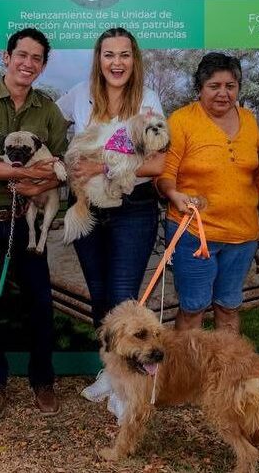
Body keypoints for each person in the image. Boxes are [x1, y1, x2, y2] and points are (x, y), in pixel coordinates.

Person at [0, 28, 68, 419]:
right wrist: (38, 175)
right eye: (22, 55)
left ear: (42, 65)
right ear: (7, 57)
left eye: (36, 58)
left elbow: (63, 166)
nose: (28, 63)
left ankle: (43, 380)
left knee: (40, 303)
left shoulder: (48, 110)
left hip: (27, 221)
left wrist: (44, 179)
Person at [56, 27, 166, 409]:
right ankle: (110, 373)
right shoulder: (78, 94)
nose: (116, 63)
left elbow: (158, 161)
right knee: (100, 298)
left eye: (124, 55)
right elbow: (44, 122)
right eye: (109, 55)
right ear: (98, 59)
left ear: (134, 59)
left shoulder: (148, 100)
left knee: (123, 299)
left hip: (132, 210)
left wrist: (104, 172)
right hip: (91, 208)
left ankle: (127, 390)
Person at [156, 52, 259, 336]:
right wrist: (173, 194)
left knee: (229, 306)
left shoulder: (249, 119)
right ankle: (185, 376)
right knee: (193, 307)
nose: (223, 93)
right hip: (194, 233)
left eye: (230, 86)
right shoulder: (181, 120)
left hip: (243, 235)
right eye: (214, 86)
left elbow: (257, 174)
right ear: (200, 88)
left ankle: (225, 376)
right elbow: (164, 173)